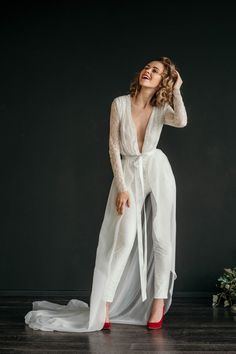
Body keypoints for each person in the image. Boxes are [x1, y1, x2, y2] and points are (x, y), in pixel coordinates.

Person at [24, 56, 188, 333]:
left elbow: (181, 121)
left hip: (156, 167)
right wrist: (122, 187)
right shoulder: (120, 103)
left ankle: (158, 302)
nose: (148, 71)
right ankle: (105, 305)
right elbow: (113, 146)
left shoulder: (161, 107)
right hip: (128, 172)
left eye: (156, 71)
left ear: (163, 81)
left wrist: (177, 89)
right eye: (147, 67)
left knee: (162, 238)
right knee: (123, 241)